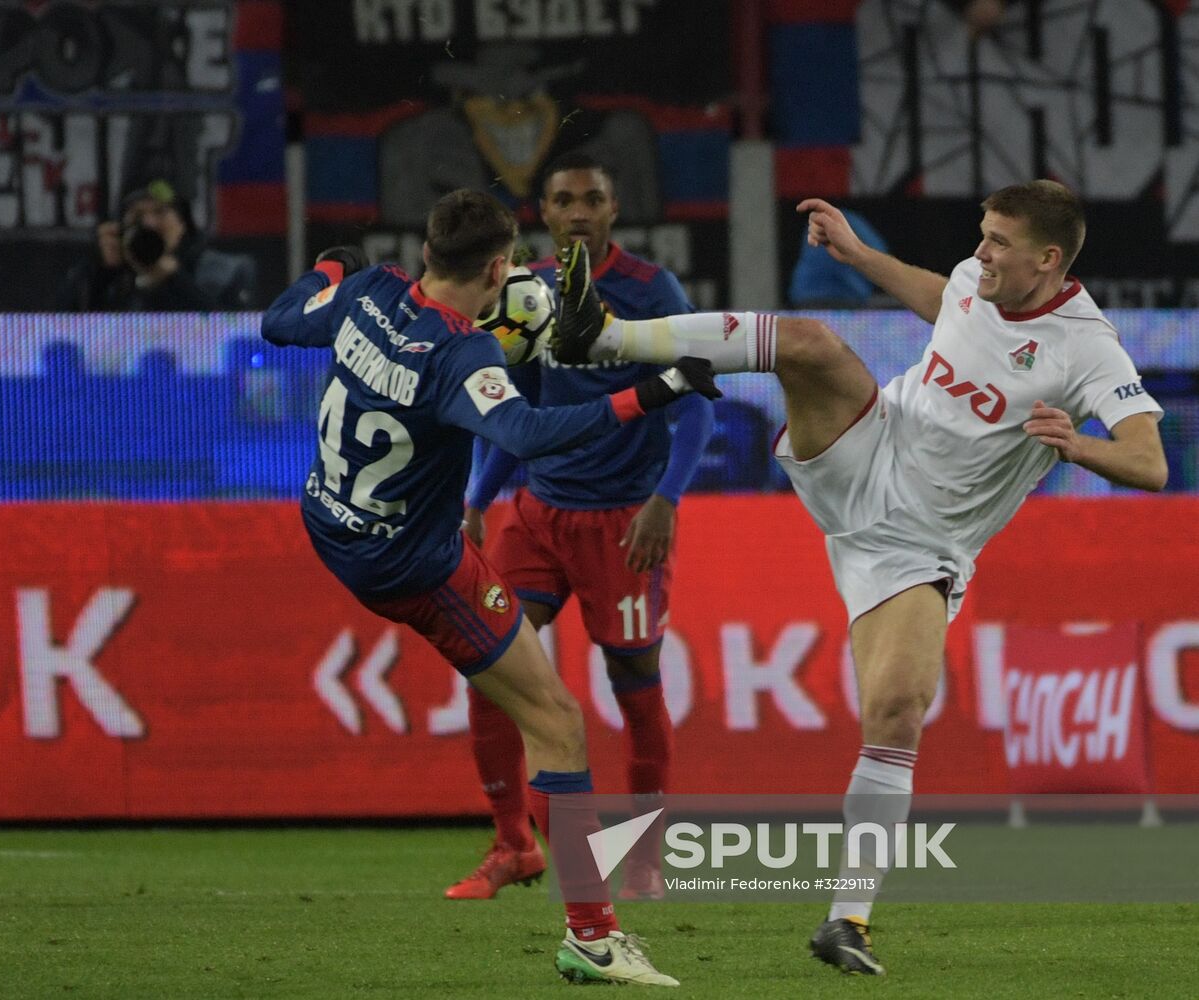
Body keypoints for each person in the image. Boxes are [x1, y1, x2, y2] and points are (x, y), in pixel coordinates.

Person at [546, 179, 1167, 974]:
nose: (980, 252)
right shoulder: (978, 280)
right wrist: (859, 255)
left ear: (1047, 259)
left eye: (998, 242)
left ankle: (845, 921)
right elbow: (945, 298)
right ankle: (602, 339)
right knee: (806, 343)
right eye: (981, 234)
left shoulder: (1088, 347)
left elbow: (1147, 460)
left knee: (897, 712)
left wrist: (1078, 446)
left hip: (920, 545)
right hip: (863, 450)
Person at [261, 187, 721, 986]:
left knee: (528, 693)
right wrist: (656, 390)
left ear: (428, 248)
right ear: (501, 266)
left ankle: (519, 843)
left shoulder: (367, 296)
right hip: (413, 565)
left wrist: (331, 265)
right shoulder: (458, 353)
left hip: (329, 522)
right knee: (559, 719)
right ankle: (592, 933)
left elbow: (281, 318)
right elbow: (527, 432)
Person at [447, 153, 712, 903]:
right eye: (564, 200)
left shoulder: (650, 290)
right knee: (487, 661)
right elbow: (513, 410)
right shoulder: (526, 294)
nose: (578, 212)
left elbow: (693, 399)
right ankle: (511, 845)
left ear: (612, 210)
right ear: (544, 213)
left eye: (592, 199)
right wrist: (476, 500)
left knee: (632, 680)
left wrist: (667, 499)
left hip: (624, 520)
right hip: (537, 513)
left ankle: (646, 858)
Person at [57, 179, 256, 311]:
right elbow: (61, 332)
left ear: (182, 224)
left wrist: (175, 279)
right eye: (137, 215)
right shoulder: (100, 273)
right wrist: (103, 274)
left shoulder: (223, 270)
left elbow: (228, 334)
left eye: (160, 212)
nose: (149, 224)